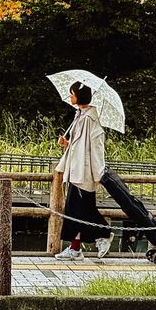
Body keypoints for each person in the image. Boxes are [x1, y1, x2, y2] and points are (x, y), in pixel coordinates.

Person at [53, 81, 113, 261]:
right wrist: (67, 143)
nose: (70, 97)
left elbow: (95, 148)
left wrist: (98, 174)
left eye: (72, 94)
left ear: (80, 96)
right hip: (76, 171)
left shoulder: (89, 119)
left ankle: (104, 233)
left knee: (84, 211)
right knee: (74, 211)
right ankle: (75, 248)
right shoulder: (80, 115)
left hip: (84, 173)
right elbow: (79, 146)